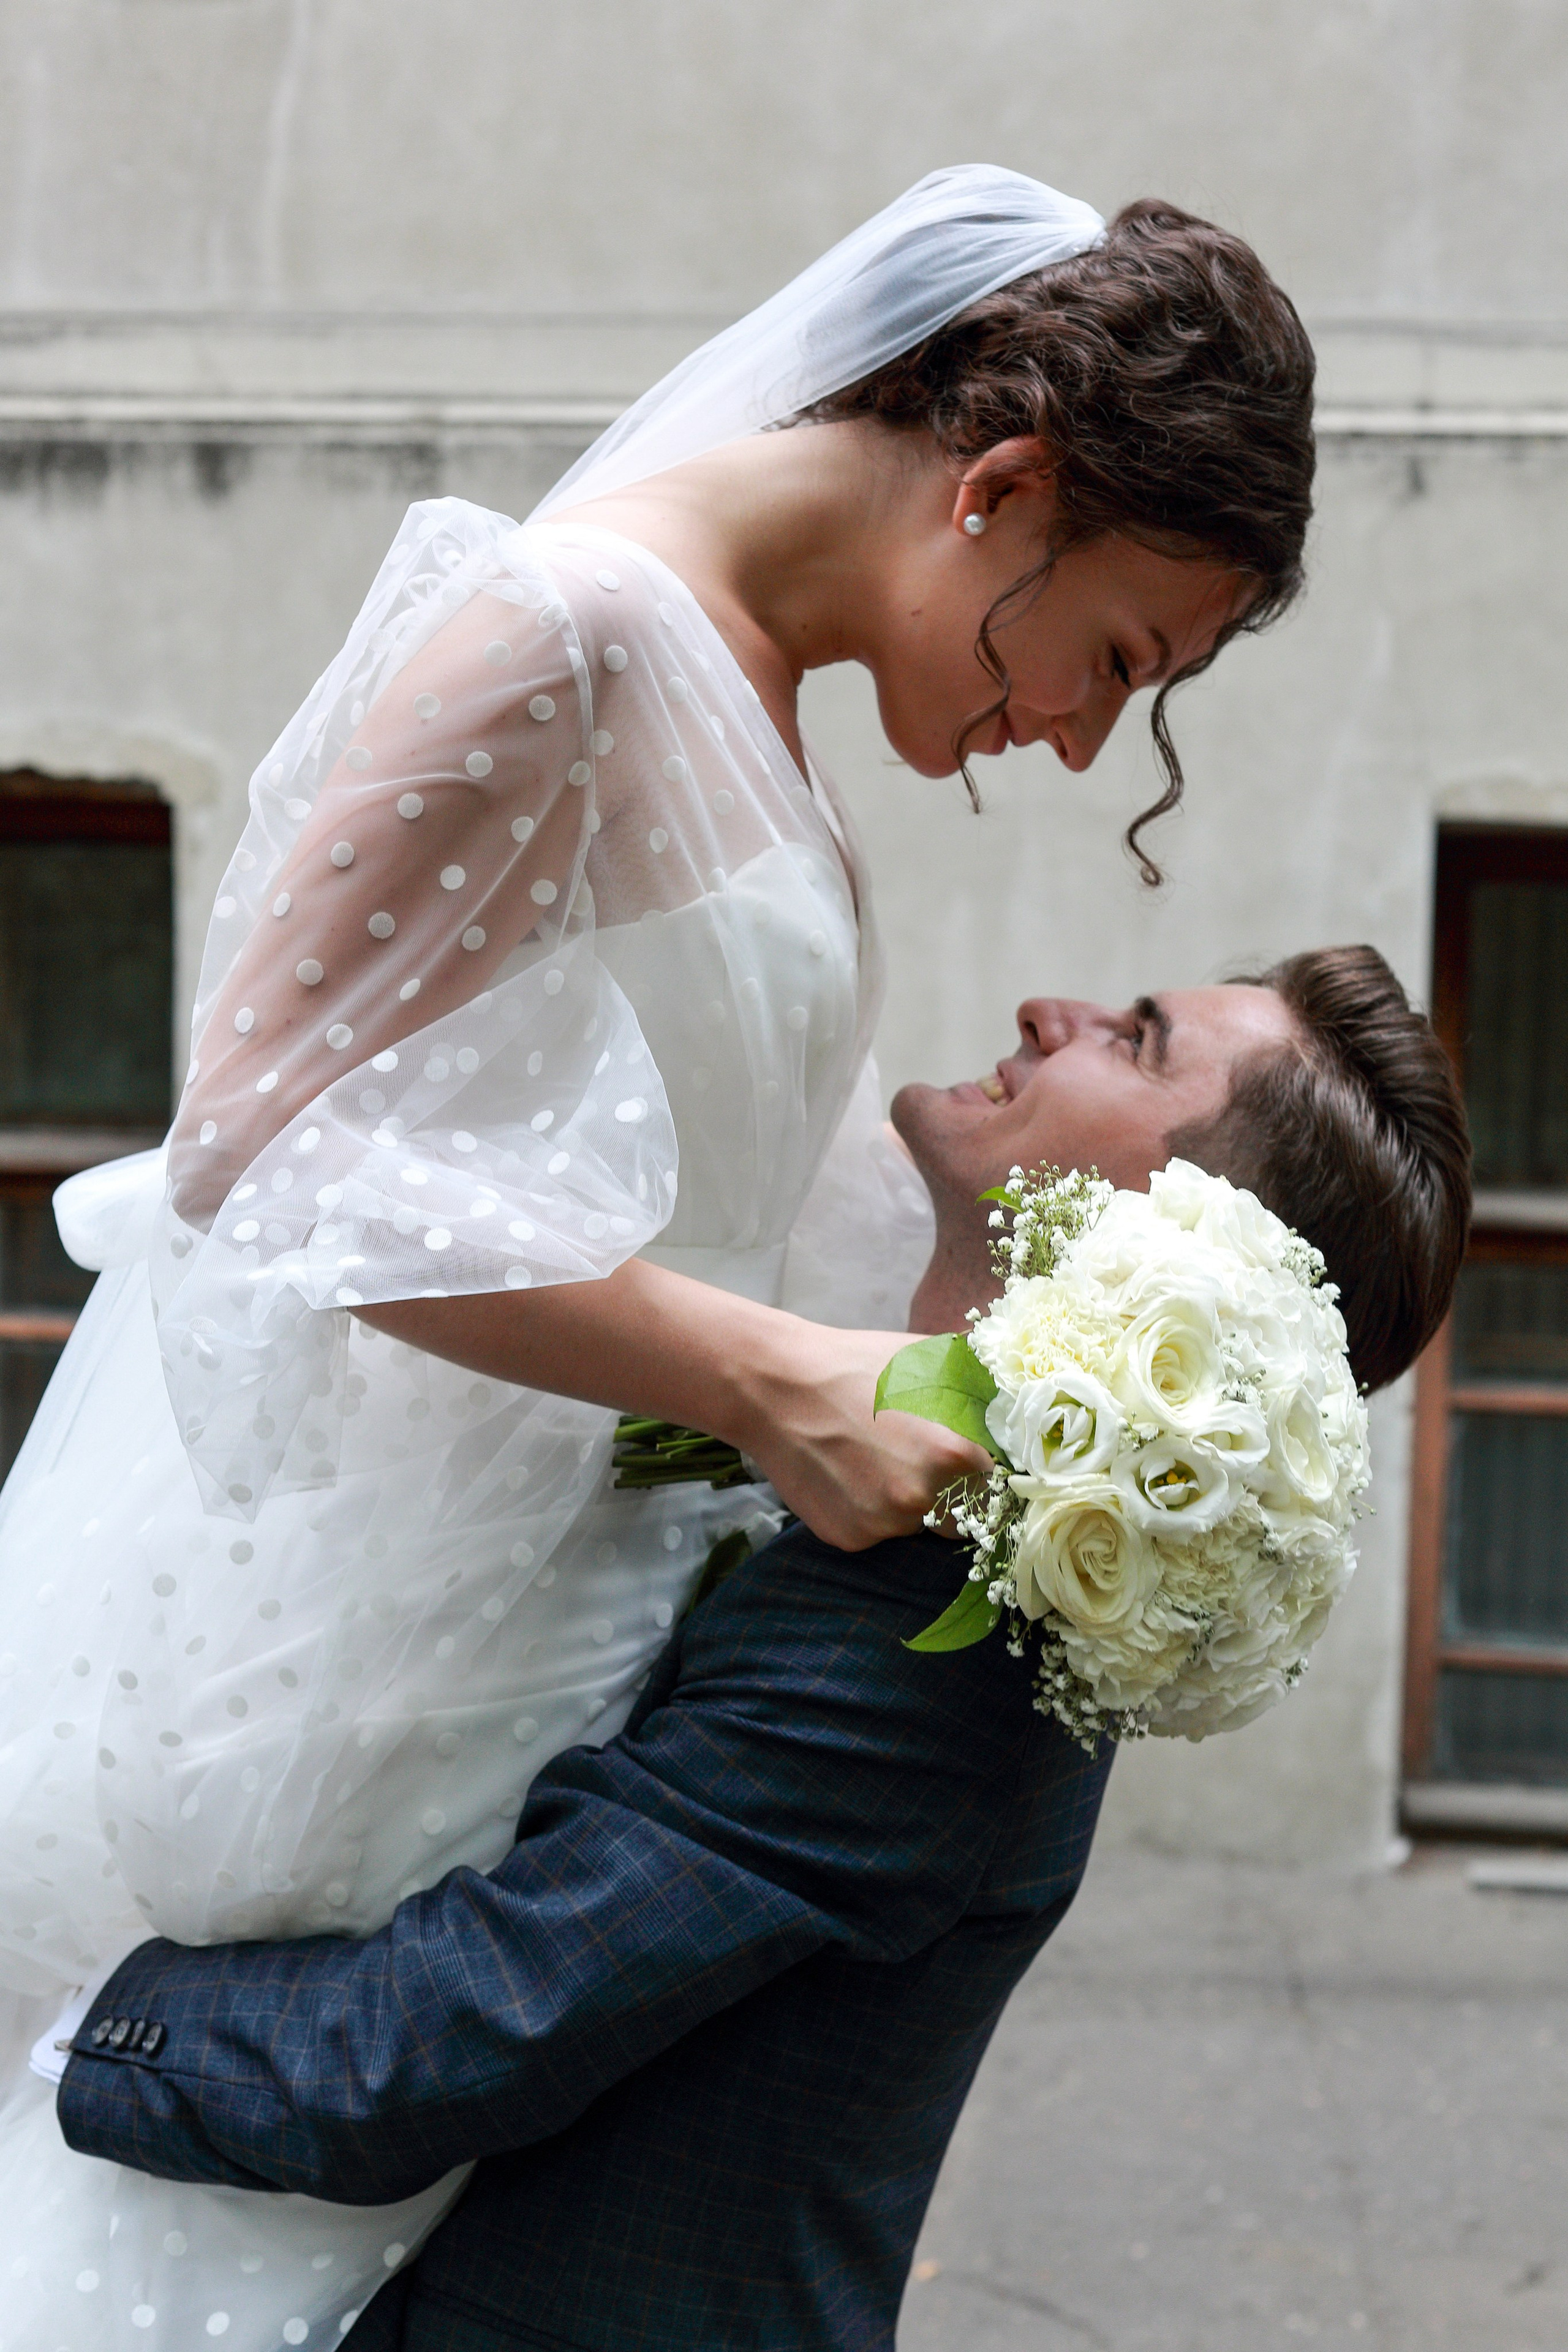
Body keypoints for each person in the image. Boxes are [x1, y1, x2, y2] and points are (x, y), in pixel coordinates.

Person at [0, 165, 1316, 2346]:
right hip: (350, 1663)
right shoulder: (554, 625)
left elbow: (717, 1177)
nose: (1079, 739)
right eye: (1112, 660)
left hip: (564, 1649)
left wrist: (1137, 1387)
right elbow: (262, 1148)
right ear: (998, 486)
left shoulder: (760, 694)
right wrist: (760, 1380)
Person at [51, 943, 1470, 2352]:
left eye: (1138, 1039)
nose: (1055, 1006)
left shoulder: (935, 1643)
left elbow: (414, 2049)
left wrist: (62, 2010)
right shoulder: (890, 1468)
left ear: (1181, 1232)